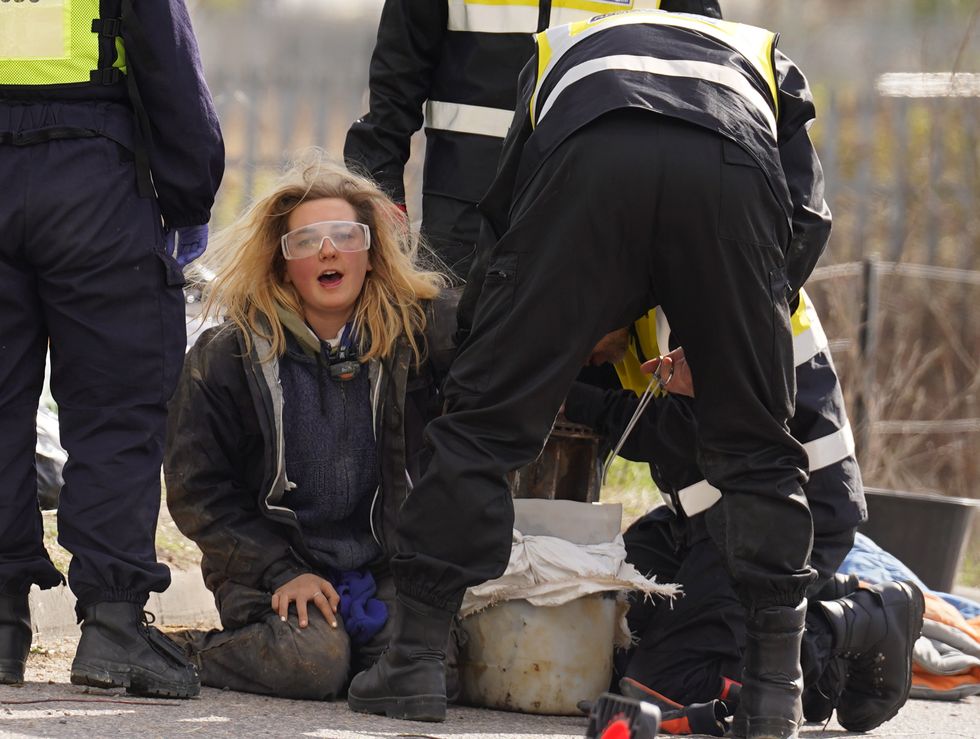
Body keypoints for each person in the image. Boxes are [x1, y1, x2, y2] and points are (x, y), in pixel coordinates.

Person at [348, 9, 845, 737]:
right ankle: (775, 690)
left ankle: (414, 662)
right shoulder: (759, 52)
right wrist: (733, 337)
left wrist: (498, 332)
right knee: (756, 444)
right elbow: (805, 214)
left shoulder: (560, 48)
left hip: (593, 159)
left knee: (483, 427)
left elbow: (509, 211)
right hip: (731, 165)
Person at [163, 157, 458, 700]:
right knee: (314, 663)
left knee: (435, 668)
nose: (327, 250)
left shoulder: (420, 339)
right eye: (306, 242)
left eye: (346, 235)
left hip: (384, 566)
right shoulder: (228, 356)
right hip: (272, 569)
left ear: (369, 256)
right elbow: (196, 489)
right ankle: (186, 651)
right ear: (281, 266)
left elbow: (498, 380)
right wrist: (277, 572)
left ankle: (357, 647)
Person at [563, 300, 924, 734]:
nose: (576, 354)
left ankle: (856, 623)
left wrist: (568, 400)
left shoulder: (696, 286)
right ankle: (822, 612)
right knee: (602, 648)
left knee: (669, 687)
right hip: (704, 519)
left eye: (573, 333)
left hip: (791, 516)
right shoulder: (624, 318)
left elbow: (682, 433)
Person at [0, 1, 223, 696]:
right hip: (95, 170)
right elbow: (163, 51)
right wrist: (188, 195)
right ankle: (115, 628)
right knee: (114, 404)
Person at [344, 0, 720, 282]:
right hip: (462, 232)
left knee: (589, 384)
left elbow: (703, 92)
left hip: (603, 225)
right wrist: (381, 225)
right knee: (458, 375)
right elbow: (391, 102)